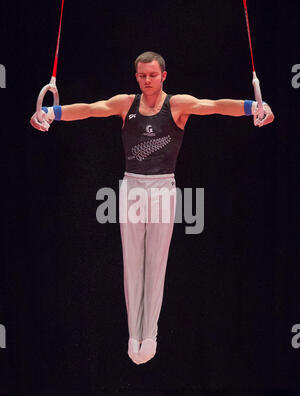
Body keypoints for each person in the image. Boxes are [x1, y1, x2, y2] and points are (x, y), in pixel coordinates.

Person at [30, 51, 275, 365]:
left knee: (155, 266)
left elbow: (214, 106)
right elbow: (90, 109)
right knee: (133, 264)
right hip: (132, 187)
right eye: (142, 75)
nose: (147, 80)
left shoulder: (178, 104)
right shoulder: (125, 103)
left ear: (164, 76)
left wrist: (253, 106)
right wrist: (50, 112)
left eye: (153, 75)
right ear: (136, 77)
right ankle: (134, 334)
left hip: (162, 189)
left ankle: (150, 334)